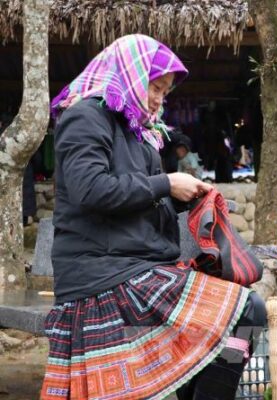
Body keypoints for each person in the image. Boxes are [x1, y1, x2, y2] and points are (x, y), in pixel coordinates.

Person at [40, 34, 265, 400]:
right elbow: (90, 190)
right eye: (155, 88)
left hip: (136, 268)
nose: (160, 99)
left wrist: (184, 197)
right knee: (248, 310)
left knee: (229, 333)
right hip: (103, 277)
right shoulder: (84, 117)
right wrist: (166, 183)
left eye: (165, 91)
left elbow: (139, 199)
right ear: (128, 76)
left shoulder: (139, 131)